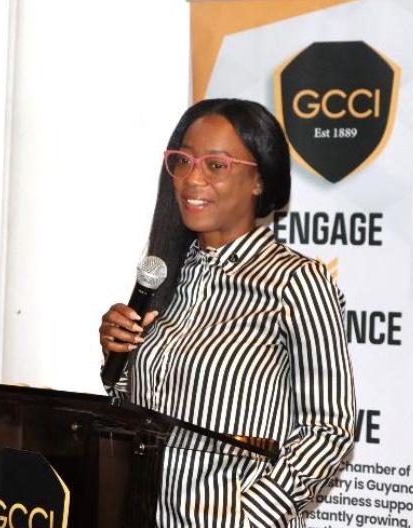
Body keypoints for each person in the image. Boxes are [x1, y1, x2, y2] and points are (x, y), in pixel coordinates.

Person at [99, 98, 355, 528]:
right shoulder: (165, 277)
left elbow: (330, 430)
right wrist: (117, 358)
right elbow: (134, 412)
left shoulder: (297, 282)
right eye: (183, 161)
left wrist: (249, 514)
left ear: (259, 180)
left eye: (216, 165)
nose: (191, 178)